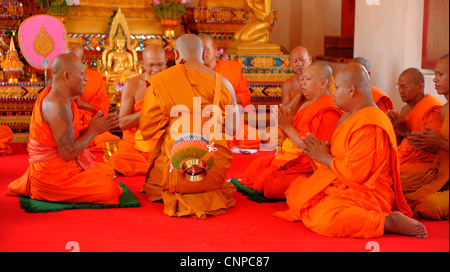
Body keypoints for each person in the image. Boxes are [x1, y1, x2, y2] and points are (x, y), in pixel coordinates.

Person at [274, 63, 427, 239]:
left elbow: (356, 174)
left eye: (337, 87)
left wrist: (324, 157)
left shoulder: (369, 124)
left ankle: (386, 221)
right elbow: (342, 152)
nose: (333, 93)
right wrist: (324, 149)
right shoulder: (352, 115)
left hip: (367, 191)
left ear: (351, 90)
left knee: (323, 218)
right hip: (342, 182)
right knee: (295, 194)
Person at [139, 34, 239, 219]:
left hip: (175, 163)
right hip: (212, 162)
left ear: (177, 55)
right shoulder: (224, 84)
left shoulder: (162, 82)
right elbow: (233, 129)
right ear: (203, 54)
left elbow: (147, 129)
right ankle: (204, 185)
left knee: (155, 179)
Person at [5, 54, 123, 204]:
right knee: (109, 190)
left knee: (107, 171)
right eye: (81, 74)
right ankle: (42, 190)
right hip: (50, 176)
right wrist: (92, 131)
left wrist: (95, 128)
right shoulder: (55, 105)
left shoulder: (66, 99)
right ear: (67, 76)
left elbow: (69, 138)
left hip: (63, 166)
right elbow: (68, 153)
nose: (86, 78)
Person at [240, 62, 342, 199]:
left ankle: (314, 187)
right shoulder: (307, 103)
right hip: (295, 158)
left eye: (308, 79)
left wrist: (287, 127)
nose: (303, 83)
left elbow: (310, 147)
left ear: (323, 83)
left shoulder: (328, 109)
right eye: (302, 79)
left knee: (272, 187)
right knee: (256, 166)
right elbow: (290, 135)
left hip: (312, 167)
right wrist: (285, 127)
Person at [401, 54, 449, 220]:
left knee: (429, 206)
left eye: (440, 74)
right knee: (394, 188)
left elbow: (440, 146)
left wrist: (441, 143)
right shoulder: (444, 110)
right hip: (440, 176)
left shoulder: (434, 109)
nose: (435, 79)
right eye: (435, 74)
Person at [107, 44, 166, 176]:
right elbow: (123, 124)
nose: (156, 69)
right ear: (143, 64)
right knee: (117, 160)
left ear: (166, 63)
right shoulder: (132, 84)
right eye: (151, 65)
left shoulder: (172, 83)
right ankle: (156, 169)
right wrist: (149, 111)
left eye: (160, 64)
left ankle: (156, 168)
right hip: (135, 145)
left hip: (162, 143)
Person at [199, 34, 260, 150]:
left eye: (205, 49)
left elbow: (245, 97)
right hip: (204, 123)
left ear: (215, 48)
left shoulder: (231, 69)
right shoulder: (193, 73)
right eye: (199, 50)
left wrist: (224, 98)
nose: (202, 54)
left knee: (252, 136)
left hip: (230, 120)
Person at [386, 68, 443, 175]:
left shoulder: (432, 109)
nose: (401, 91)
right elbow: (400, 142)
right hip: (405, 158)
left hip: (425, 162)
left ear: (420, 87)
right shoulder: (405, 109)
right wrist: (393, 128)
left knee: (388, 174)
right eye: (399, 86)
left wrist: (405, 132)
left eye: (405, 87)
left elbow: (437, 149)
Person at [66, 42, 120, 152]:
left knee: (112, 143)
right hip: (66, 125)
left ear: (83, 59)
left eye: (73, 57)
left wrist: (82, 104)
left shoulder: (94, 77)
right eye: (67, 57)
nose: (70, 61)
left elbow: (103, 110)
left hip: (89, 125)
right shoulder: (59, 77)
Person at [281, 46, 313, 116]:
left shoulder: (320, 79)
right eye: (295, 61)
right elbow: (284, 111)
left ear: (310, 59)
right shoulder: (288, 84)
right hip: (294, 122)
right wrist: (299, 94)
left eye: (302, 60)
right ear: (290, 64)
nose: (299, 64)